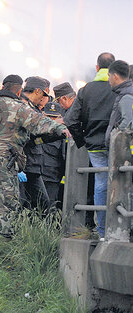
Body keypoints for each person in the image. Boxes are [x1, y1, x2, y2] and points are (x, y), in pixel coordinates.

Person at [0, 74, 70, 237]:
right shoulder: (19, 107)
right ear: (19, 89)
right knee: (7, 200)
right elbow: (40, 122)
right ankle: (3, 239)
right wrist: (61, 130)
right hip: (4, 159)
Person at [64, 52, 116, 239]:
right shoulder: (119, 88)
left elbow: (70, 120)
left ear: (97, 68)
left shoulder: (86, 90)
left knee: (101, 184)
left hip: (94, 146)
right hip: (118, 145)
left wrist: (82, 140)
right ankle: (120, 230)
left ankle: (101, 232)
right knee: (121, 182)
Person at [19, 76, 56, 212]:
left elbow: (35, 139)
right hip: (24, 164)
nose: (42, 99)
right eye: (42, 95)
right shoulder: (24, 108)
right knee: (27, 204)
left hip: (33, 165)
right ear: (37, 91)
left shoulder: (33, 108)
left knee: (41, 204)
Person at [105, 60, 133, 147]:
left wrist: (114, 134)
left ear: (115, 76)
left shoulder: (126, 96)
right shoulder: (124, 92)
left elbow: (128, 122)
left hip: (122, 149)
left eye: (109, 76)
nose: (108, 79)